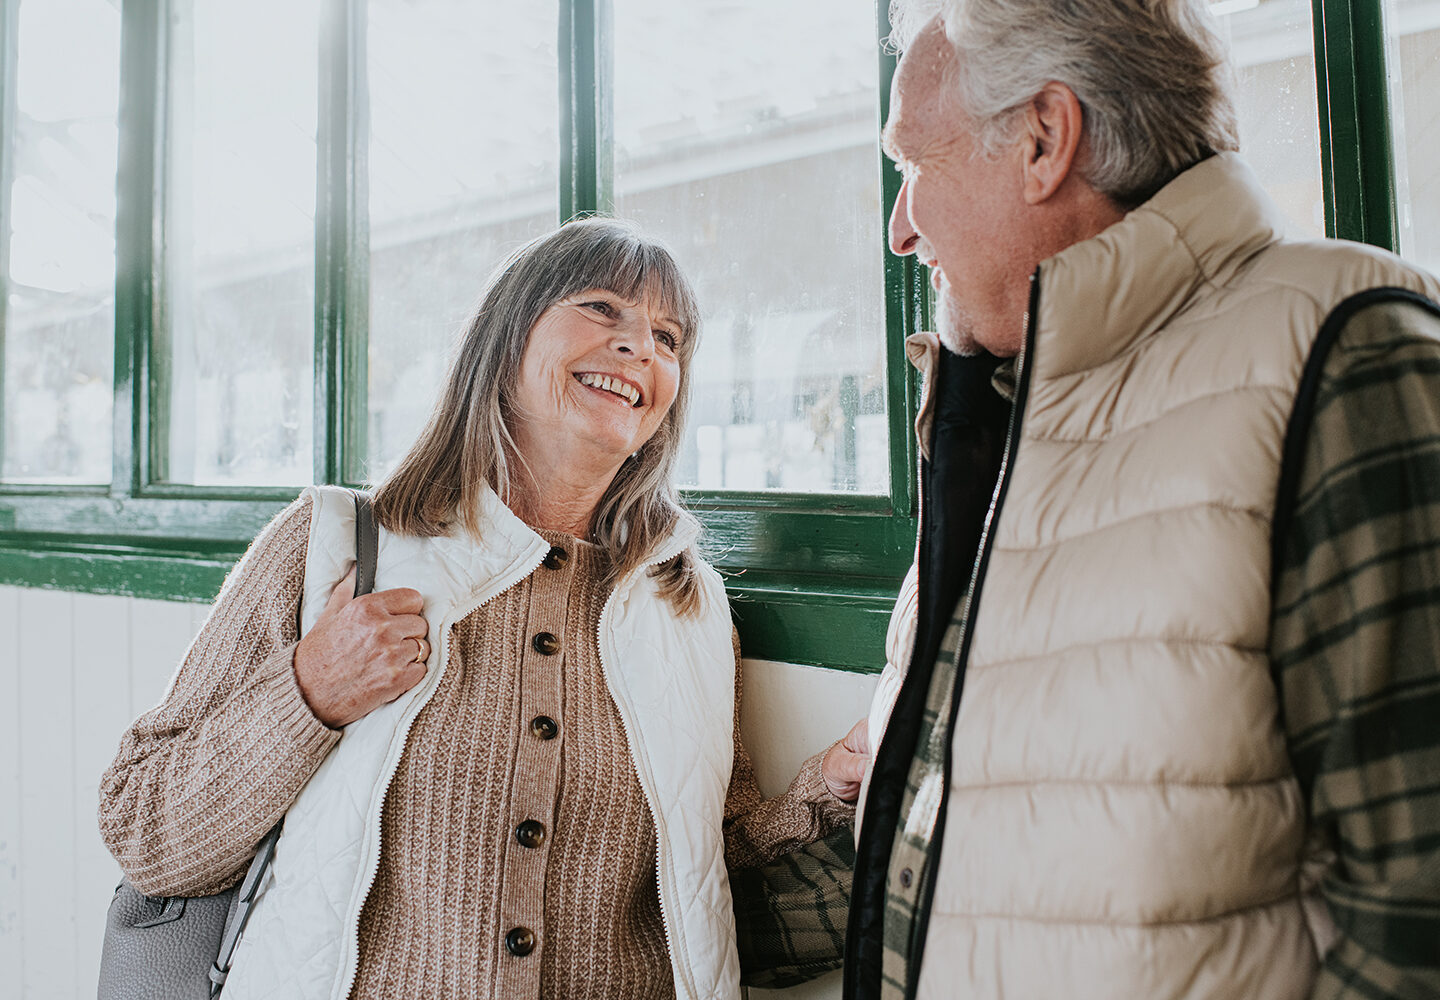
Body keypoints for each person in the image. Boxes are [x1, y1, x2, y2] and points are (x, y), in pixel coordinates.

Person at [99, 218, 865, 1000]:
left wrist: (825, 790)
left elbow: (706, 877)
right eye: (603, 308)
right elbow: (148, 834)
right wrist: (310, 692)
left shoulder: (691, 610)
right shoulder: (335, 546)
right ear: (504, 341)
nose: (642, 346)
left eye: (669, 338)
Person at [841, 1, 1440, 998]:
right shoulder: (1006, 397)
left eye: (914, 163)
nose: (900, 228)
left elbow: (1420, 922)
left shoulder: (1350, 353)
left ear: (1043, 138)